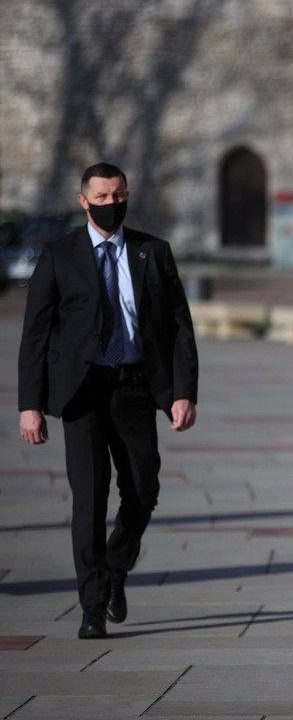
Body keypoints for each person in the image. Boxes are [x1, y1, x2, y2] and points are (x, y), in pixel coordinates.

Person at [17, 163, 199, 639]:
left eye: (118, 195)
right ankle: (93, 607)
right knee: (89, 500)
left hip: (136, 386)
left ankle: (116, 568)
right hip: (82, 393)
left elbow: (180, 327)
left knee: (143, 490)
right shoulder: (60, 256)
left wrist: (183, 392)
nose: (112, 204)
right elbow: (35, 334)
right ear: (84, 201)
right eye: (101, 197)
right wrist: (30, 404)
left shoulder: (152, 252)